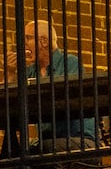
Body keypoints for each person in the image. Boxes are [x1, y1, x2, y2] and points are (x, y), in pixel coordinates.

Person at [12, 17, 93, 160]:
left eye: (28, 38)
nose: (23, 43)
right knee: (14, 153)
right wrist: (10, 73)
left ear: (44, 41)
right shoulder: (31, 71)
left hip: (77, 139)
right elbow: (11, 101)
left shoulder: (70, 63)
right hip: (46, 141)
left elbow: (65, 99)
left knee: (34, 151)